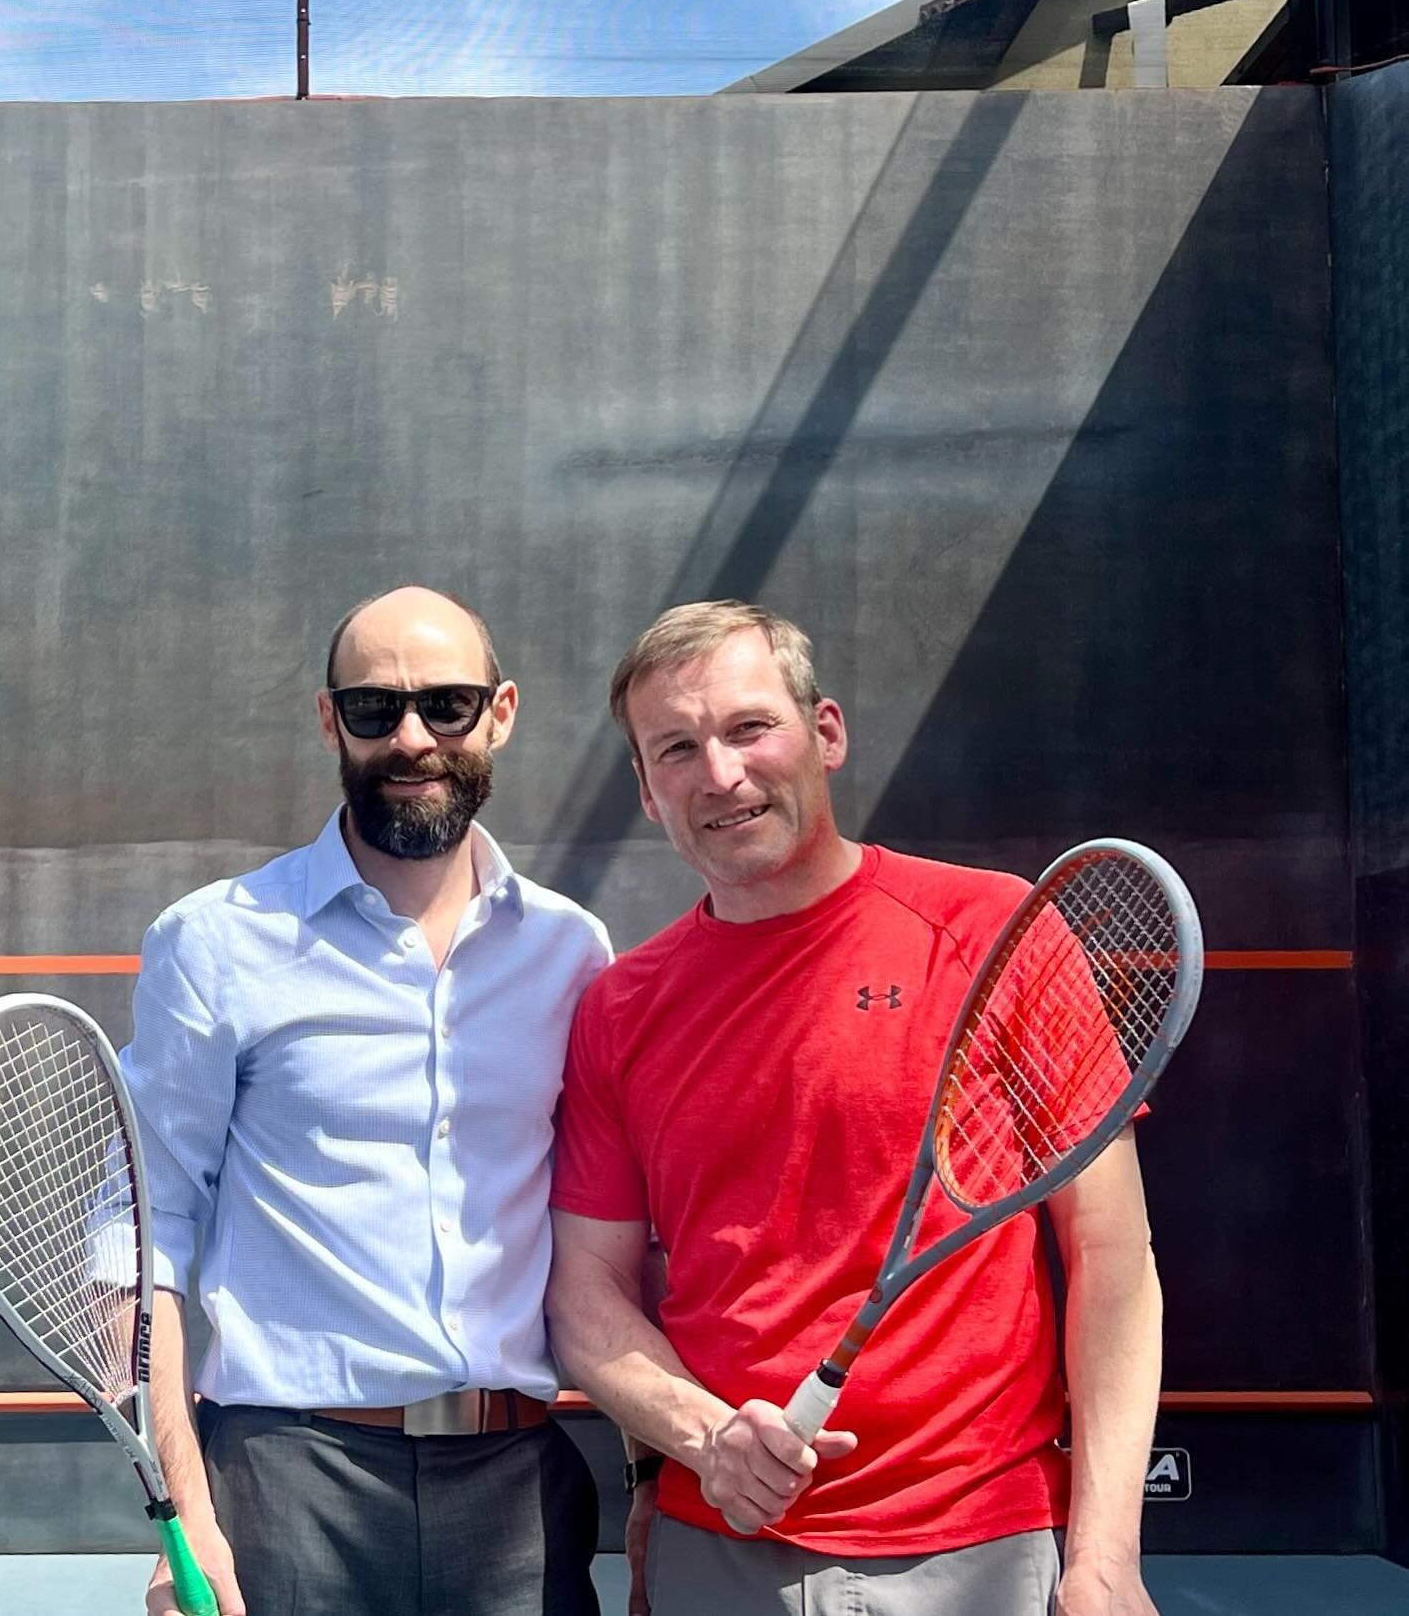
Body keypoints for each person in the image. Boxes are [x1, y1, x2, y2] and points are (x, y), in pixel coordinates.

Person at [547, 600, 1162, 1616]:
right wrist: (704, 1441)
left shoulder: (995, 929)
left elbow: (1112, 1259)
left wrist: (1103, 1557)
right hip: (723, 1547)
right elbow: (586, 1298)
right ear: (648, 793)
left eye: (750, 728)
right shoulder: (621, 1009)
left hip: (984, 1546)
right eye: (678, 749)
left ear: (824, 733)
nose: (722, 773)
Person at [122, 586, 611, 1616]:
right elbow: (142, 1231)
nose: (412, 738)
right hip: (290, 1480)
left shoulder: (571, 952)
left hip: (518, 1485)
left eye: (447, 704)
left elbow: (610, 1233)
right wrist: (186, 1510)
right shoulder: (217, 943)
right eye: (374, 708)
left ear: (503, 711)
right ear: (328, 720)